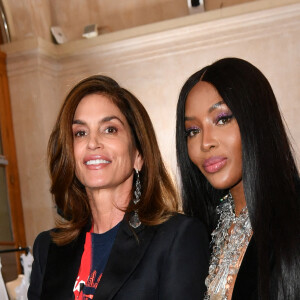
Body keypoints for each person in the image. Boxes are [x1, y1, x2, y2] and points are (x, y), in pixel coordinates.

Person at [28, 75, 209, 300]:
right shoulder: (47, 248)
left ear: (138, 154)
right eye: (80, 133)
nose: (93, 142)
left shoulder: (179, 237)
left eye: (110, 129)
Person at [176, 57, 300, 300]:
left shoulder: (294, 218)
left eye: (222, 119)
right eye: (193, 130)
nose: (205, 142)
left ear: (256, 120)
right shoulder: (197, 232)